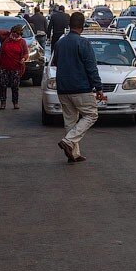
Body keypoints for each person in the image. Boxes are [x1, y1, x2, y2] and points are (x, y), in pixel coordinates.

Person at [54, 11, 106, 163]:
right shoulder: (83, 43)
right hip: (81, 88)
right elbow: (91, 67)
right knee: (91, 115)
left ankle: (74, 154)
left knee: (70, 121)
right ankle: (69, 141)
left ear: (69, 25)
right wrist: (99, 88)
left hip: (63, 88)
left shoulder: (60, 42)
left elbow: (56, 62)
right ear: (82, 26)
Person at [0, 24, 29, 110]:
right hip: (4, 67)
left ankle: (15, 102)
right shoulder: (6, 39)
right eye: (13, 33)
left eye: (17, 33)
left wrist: (23, 58)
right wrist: (9, 32)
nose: (15, 35)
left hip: (16, 67)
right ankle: (3, 103)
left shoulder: (22, 42)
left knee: (15, 86)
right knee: (2, 85)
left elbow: (25, 53)